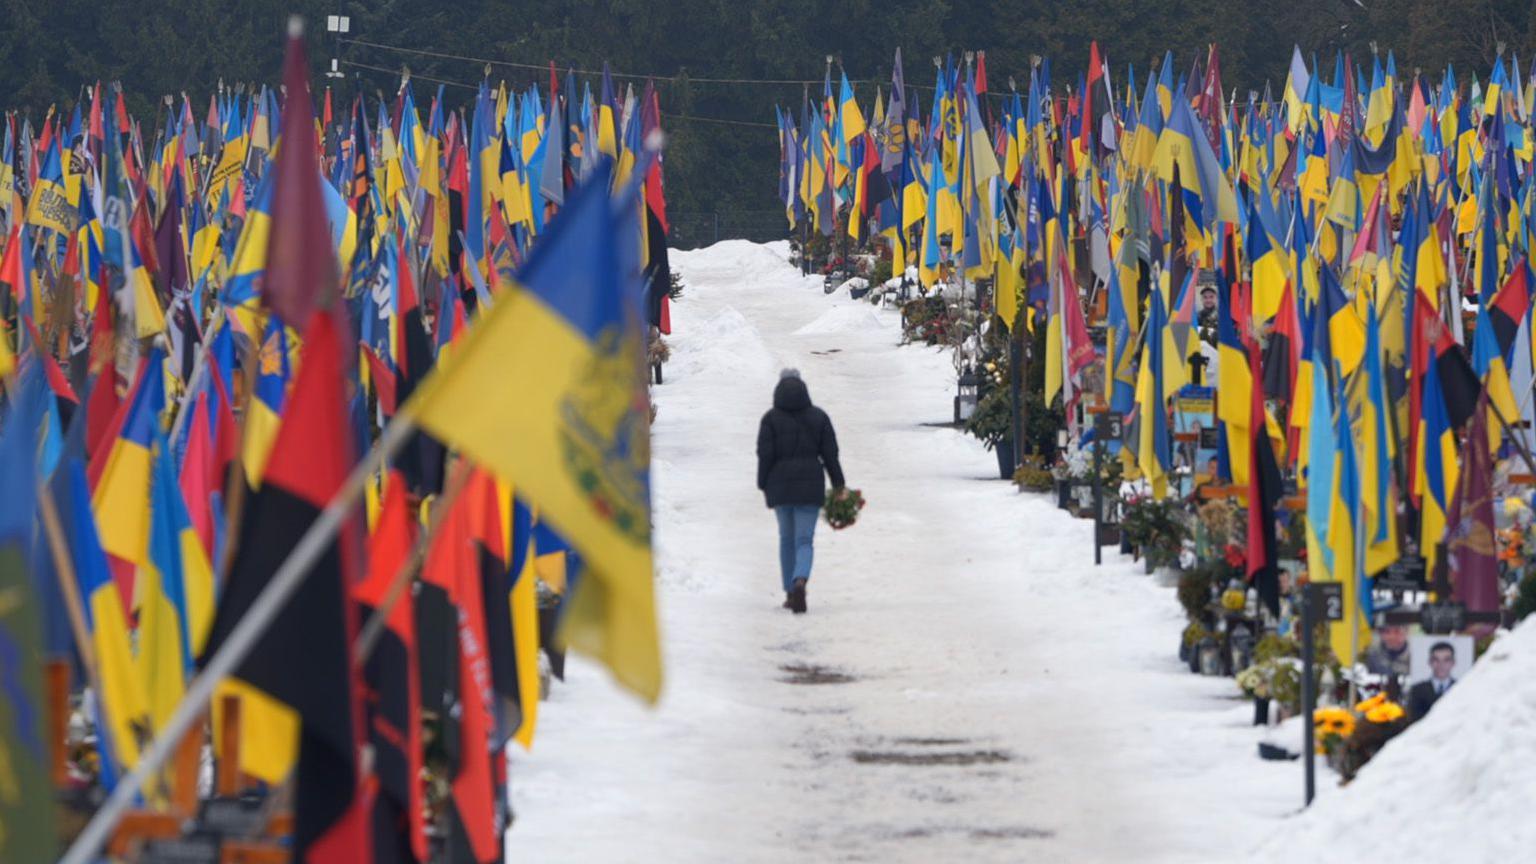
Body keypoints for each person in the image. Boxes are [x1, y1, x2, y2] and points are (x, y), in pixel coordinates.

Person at [757, 369, 845, 614]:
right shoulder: (819, 417)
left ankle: (789, 592)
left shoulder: (770, 419)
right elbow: (831, 455)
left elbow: (764, 455)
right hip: (810, 486)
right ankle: (800, 581)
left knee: (786, 539)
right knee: (804, 540)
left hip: (780, 485)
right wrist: (838, 485)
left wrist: (763, 483)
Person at [1407, 641, 1458, 722]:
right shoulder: (1417, 690)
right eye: (1436, 660)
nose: (1441, 665)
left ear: (1453, 663)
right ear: (1430, 662)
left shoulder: (1460, 688)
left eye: (1446, 660)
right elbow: (1414, 719)